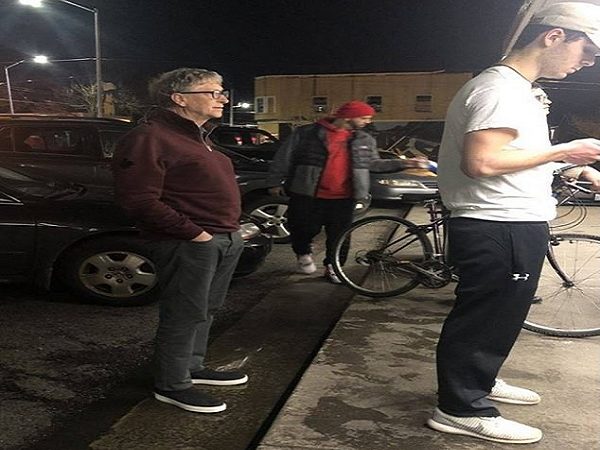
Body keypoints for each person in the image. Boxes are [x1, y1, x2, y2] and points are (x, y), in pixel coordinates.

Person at [427, 2, 600, 444]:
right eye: (587, 49)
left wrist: (569, 167)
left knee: (501, 315)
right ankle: (460, 407)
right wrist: (565, 151)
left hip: (510, 220)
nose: (589, 62)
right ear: (554, 36)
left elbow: (513, 157)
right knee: (484, 316)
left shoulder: (518, 89)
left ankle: (478, 380)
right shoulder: (499, 89)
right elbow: (482, 162)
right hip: (497, 223)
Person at [113, 68, 247, 414]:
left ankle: (192, 366)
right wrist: (196, 234)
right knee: (184, 313)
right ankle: (172, 384)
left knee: (206, 309)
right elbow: (139, 200)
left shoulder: (199, 137)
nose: (223, 99)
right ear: (179, 98)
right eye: (213, 92)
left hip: (222, 237)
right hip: (189, 242)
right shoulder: (150, 137)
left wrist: (231, 231)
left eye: (222, 91)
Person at [266, 100, 423, 283]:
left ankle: (334, 267)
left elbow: (373, 164)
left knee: (340, 235)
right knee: (303, 229)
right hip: (307, 193)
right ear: (348, 117)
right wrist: (274, 181)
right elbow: (284, 158)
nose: (368, 121)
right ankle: (303, 253)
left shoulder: (364, 139)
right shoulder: (307, 133)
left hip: (345, 197)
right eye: (364, 117)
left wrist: (405, 163)